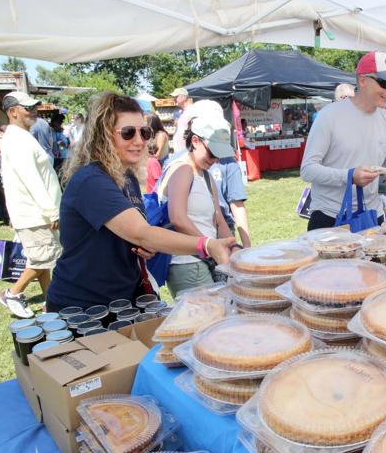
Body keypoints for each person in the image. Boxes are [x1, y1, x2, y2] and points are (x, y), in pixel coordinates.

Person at [45, 93, 234, 311]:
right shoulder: (91, 180)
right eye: (128, 133)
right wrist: (207, 245)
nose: (139, 141)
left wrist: (144, 248)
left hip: (123, 299)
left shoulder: (128, 178)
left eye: (144, 132)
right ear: (104, 135)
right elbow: (141, 232)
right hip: (83, 306)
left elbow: (133, 236)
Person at [300, 51, 386, 231]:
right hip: (330, 216)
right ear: (363, 80)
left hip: (372, 216)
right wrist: (348, 176)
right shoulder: (330, 116)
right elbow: (307, 170)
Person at [159, 112, 243, 296]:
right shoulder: (182, 170)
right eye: (213, 153)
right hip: (187, 263)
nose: (215, 160)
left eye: (219, 155)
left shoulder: (206, 175)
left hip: (205, 260)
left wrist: (233, 246)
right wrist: (210, 247)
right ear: (195, 141)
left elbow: (219, 220)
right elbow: (178, 218)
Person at [0, 92, 62, 318]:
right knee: (43, 258)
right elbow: (31, 178)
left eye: (34, 107)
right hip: (35, 213)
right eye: (27, 108)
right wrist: (51, 211)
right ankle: (13, 294)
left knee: (44, 257)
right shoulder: (17, 140)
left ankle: (50, 301)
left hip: (34, 212)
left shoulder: (21, 136)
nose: (33, 111)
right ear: (13, 112)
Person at [171, 87, 193, 154]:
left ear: (184, 97)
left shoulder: (191, 110)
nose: (174, 99)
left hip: (187, 152)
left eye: (176, 96)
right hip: (181, 152)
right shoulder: (183, 111)